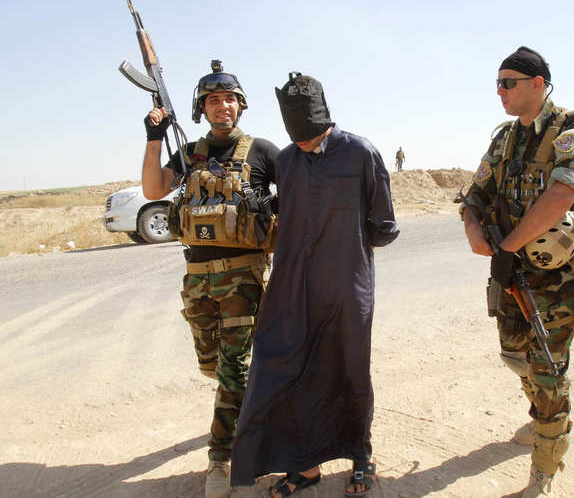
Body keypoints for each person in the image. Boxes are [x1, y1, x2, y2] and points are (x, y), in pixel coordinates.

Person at [229, 72, 399, 497]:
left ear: (326, 122)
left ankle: (362, 456)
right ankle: (304, 465)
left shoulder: (360, 152)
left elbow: (385, 225)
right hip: (293, 284)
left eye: (312, 138)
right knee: (286, 365)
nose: (305, 145)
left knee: (348, 368)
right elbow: (283, 213)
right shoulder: (286, 160)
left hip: (346, 284)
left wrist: (346, 247)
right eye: (298, 139)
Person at [459, 46, 574, 496]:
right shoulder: (504, 138)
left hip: (554, 276)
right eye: (497, 83)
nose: (500, 91)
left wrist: (508, 245)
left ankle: (542, 476)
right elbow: (476, 193)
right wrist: (473, 228)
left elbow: (563, 194)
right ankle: (543, 416)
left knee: (548, 372)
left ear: (538, 84)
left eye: (508, 82)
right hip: (509, 272)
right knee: (514, 355)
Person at [141, 60, 280, 498]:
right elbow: (152, 191)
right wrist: (153, 137)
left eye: (230, 99)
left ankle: (221, 458)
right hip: (198, 279)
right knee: (212, 366)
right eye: (214, 100)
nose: (223, 106)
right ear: (202, 108)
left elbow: (298, 197)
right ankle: (244, 409)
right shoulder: (190, 153)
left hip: (243, 277)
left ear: (241, 106)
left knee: (233, 370)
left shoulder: (262, 152)